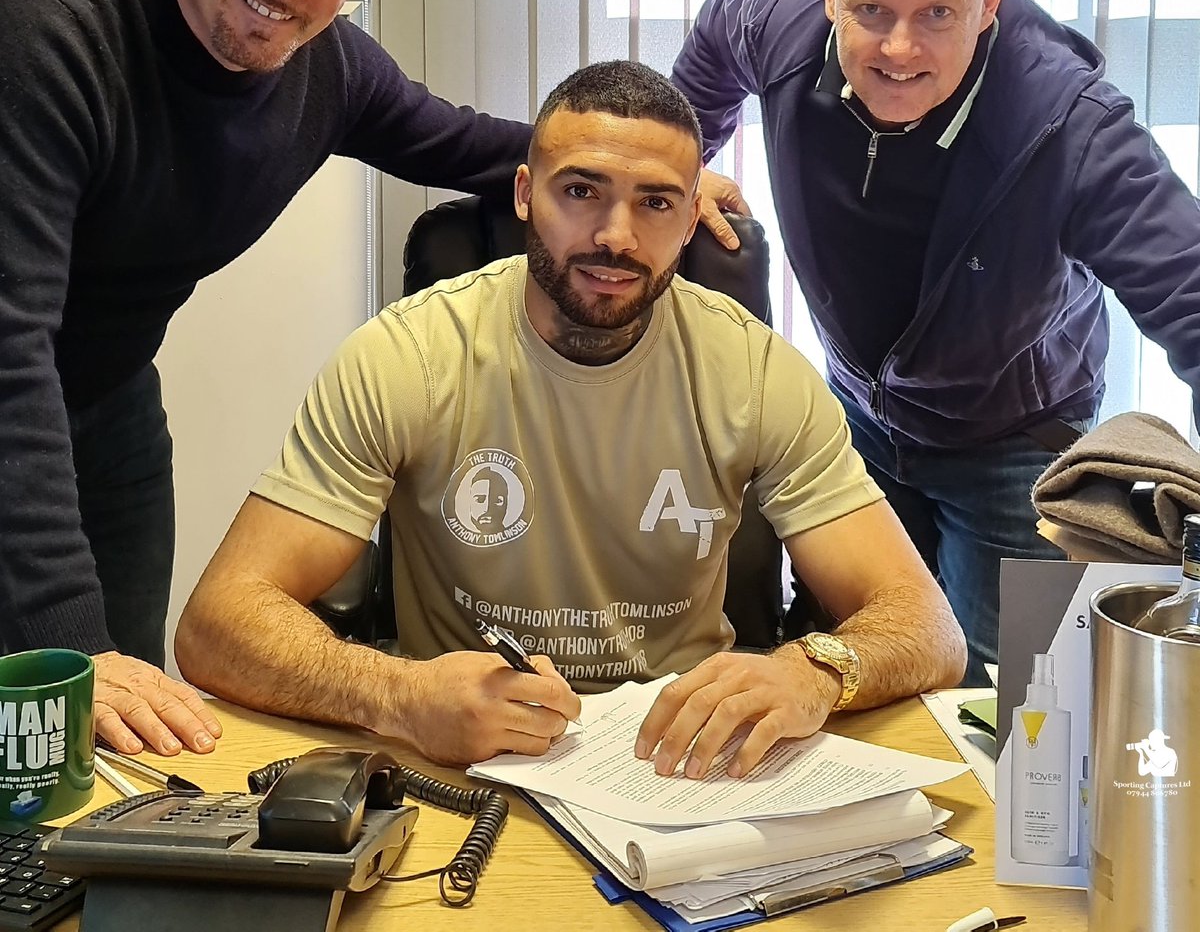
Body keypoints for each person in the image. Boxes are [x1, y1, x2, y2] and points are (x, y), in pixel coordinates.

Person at [174, 60, 966, 774]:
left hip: (686, 763)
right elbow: (218, 622)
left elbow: (930, 628)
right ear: (525, 194)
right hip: (463, 758)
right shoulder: (405, 357)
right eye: (581, 191)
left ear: (692, 220)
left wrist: (811, 672)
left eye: (655, 203)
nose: (615, 237)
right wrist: (399, 695)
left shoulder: (755, 371)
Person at [0, 0, 540, 762]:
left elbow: (473, 147)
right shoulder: (45, 46)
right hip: (13, 396)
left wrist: (650, 166)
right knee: (42, 718)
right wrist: (69, 644)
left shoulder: (328, 70)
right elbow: (8, 357)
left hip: (111, 411)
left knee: (120, 738)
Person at [670, 0, 1200, 685]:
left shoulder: (1072, 128)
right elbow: (712, 40)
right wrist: (686, 162)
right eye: (871, 11)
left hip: (1014, 444)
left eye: (938, 15)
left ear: (990, 2)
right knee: (852, 671)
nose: (899, 49)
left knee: (1016, 717)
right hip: (856, 420)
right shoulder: (779, 26)